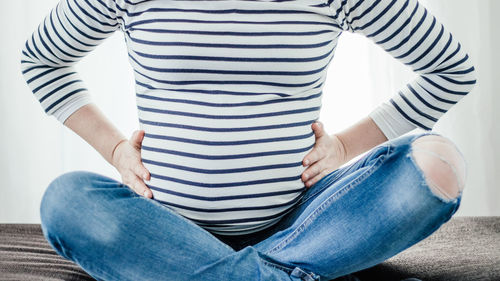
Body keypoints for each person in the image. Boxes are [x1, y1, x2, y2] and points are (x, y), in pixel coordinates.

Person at [20, 0, 476, 280]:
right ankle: (287, 272)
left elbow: (450, 69)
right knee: (67, 202)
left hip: (301, 220)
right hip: (164, 225)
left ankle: (224, 272)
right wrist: (116, 150)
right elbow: (42, 59)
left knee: (436, 164)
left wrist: (344, 145)